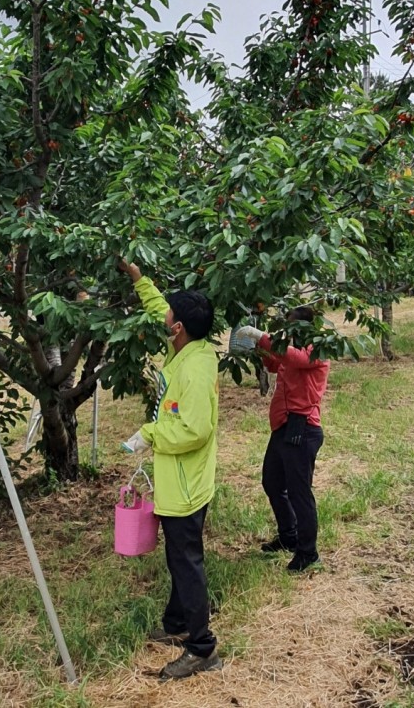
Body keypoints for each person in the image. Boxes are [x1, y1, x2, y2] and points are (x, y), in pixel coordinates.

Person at [118, 258, 223, 681]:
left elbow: (194, 430)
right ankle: (177, 622)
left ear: (177, 327)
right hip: (179, 478)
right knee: (179, 557)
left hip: (185, 482)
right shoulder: (187, 346)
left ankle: (202, 648)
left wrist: (150, 433)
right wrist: (140, 280)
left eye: (170, 316)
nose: (165, 317)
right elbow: (158, 306)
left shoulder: (195, 370)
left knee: (186, 561)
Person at [235, 307, 330, 572]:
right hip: (283, 426)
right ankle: (288, 536)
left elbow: (297, 359)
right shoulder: (290, 349)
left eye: (292, 328)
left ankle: (308, 553)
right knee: (272, 481)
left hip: (303, 427)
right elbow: (275, 362)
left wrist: (263, 336)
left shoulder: (317, 350)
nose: (288, 333)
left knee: (300, 493)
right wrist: (259, 347)